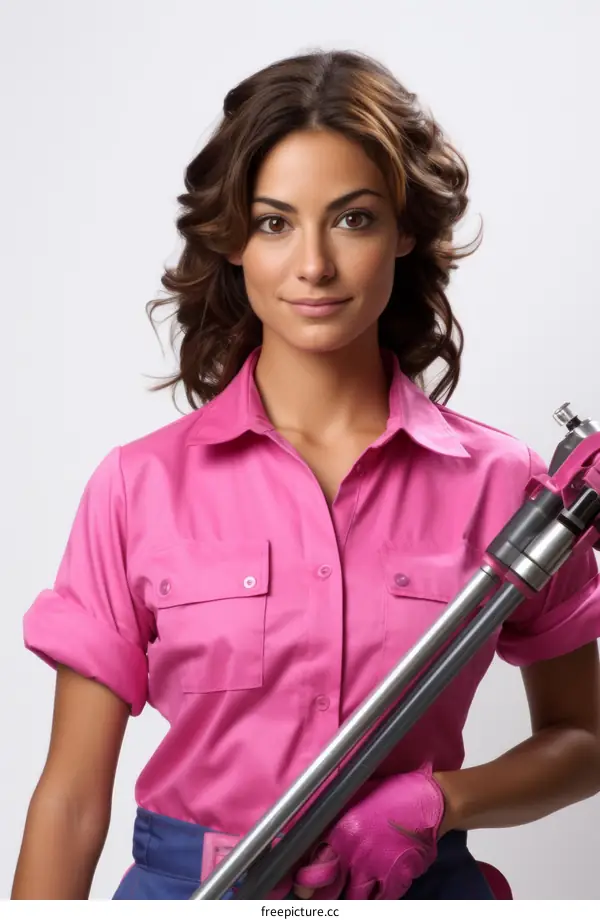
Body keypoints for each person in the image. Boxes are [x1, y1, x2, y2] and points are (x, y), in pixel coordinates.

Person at [11, 48, 600, 901]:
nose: (314, 265)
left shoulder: (508, 485)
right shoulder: (136, 488)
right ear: (233, 240)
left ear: (404, 230)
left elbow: (584, 737)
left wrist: (443, 800)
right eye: (275, 222)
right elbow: (69, 802)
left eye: (353, 220)